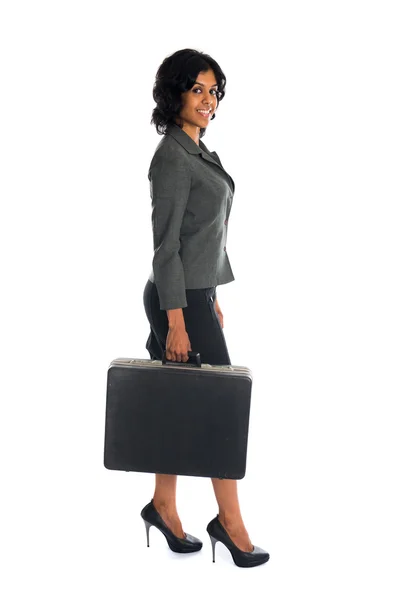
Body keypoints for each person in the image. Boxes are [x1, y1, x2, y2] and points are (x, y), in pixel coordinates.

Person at [141, 48, 269, 568]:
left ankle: (164, 506)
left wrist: (210, 296)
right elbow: (165, 247)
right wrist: (177, 318)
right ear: (175, 93)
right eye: (198, 89)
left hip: (194, 297)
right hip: (176, 300)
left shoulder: (198, 150)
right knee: (220, 407)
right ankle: (231, 524)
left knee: (173, 402)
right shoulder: (171, 157)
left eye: (214, 91)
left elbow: (204, 235)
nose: (208, 100)